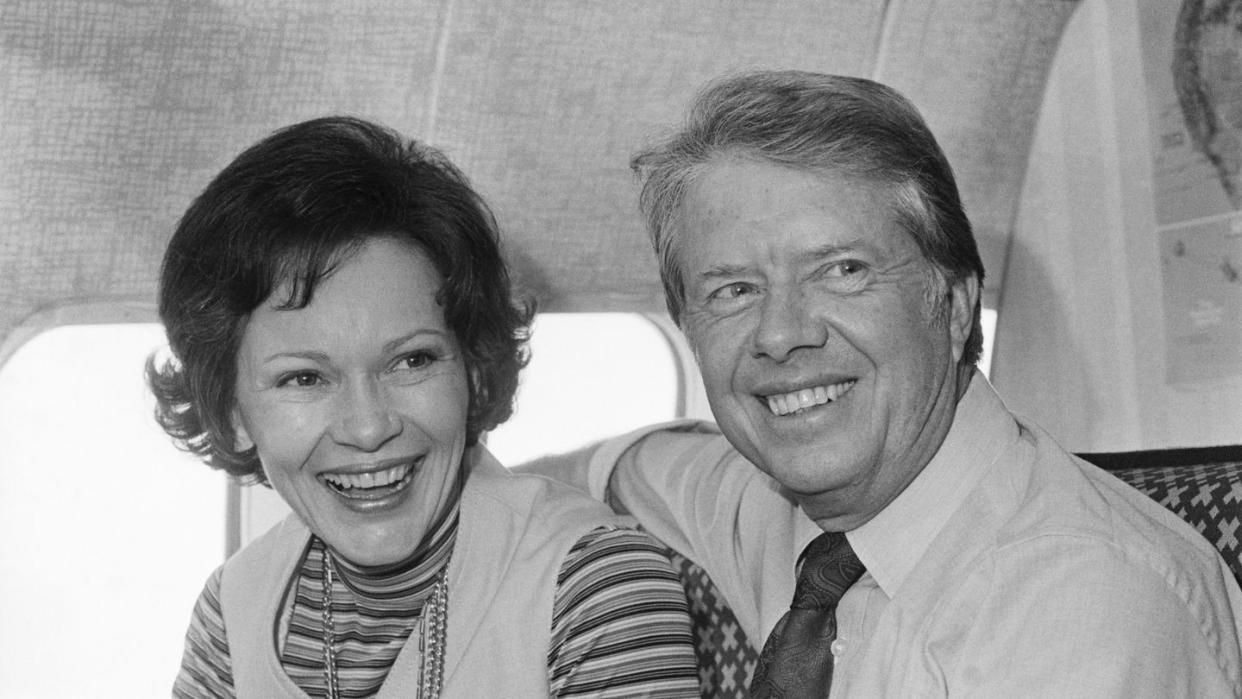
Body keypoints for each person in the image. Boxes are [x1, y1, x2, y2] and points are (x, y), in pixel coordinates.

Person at [525, 70, 1242, 696]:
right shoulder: (789, 511)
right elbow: (629, 468)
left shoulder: (1086, 607)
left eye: (843, 270)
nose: (780, 333)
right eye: (734, 290)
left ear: (954, 305)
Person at [150, 116, 700, 698]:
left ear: (475, 369)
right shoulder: (234, 611)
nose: (368, 428)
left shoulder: (598, 584)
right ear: (232, 413)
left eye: (411, 361)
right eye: (304, 377)